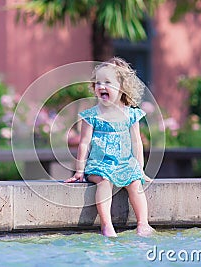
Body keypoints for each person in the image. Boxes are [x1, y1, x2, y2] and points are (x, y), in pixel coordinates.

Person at [64, 57, 155, 237]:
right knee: (105, 182)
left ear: (122, 88)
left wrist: (140, 168)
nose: (101, 86)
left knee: (136, 183)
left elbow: (136, 142)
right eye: (98, 82)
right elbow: (84, 143)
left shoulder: (130, 114)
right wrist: (79, 171)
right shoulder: (92, 116)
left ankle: (142, 223)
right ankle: (106, 225)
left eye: (107, 82)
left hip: (124, 163)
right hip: (100, 164)